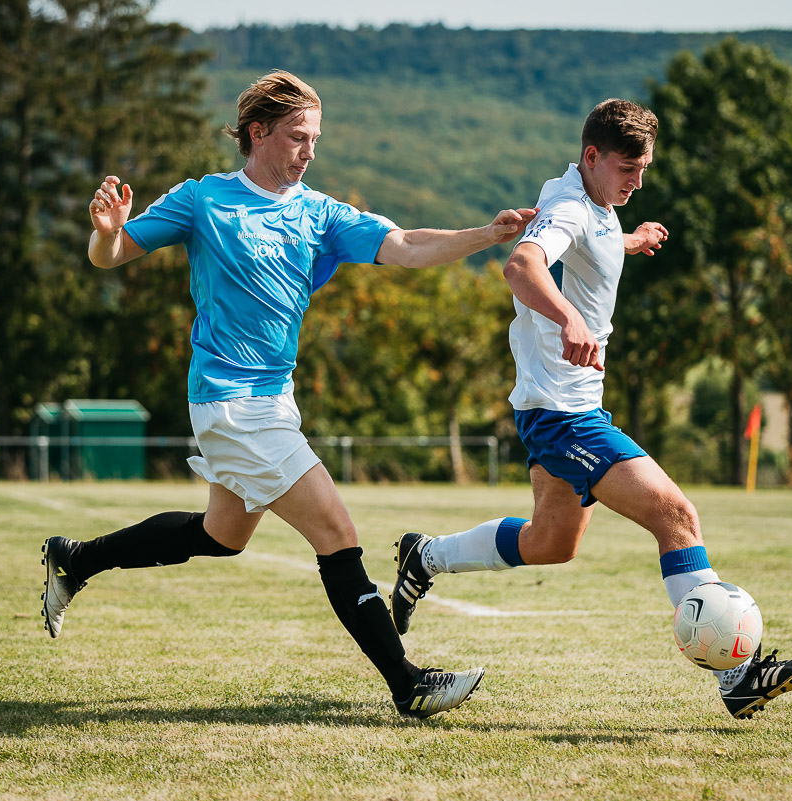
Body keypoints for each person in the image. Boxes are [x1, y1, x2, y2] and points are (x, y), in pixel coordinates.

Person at [39, 70, 537, 719]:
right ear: (258, 133)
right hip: (228, 401)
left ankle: (75, 559)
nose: (309, 151)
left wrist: (486, 234)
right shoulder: (204, 201)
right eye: (299, 136)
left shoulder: (319, 211)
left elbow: (408, 245)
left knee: (223, 534)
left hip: (274, 401)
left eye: (315, 139)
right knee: (337, 530)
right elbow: (110, 255)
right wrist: (107, 229)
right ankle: (407, 680)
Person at [389, 98, 792, 721]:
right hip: (563, 416)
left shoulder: (588, 203)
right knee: (675, 513)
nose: (638, 181)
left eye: (644, 169)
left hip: (560, 408)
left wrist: (629, 239)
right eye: (628, 168)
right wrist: (567, 317)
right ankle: (739, 677)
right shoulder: (568, 206)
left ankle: (424, 556)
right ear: (592, 157)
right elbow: (521, 264)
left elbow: (589, 241)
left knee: (551, 543)